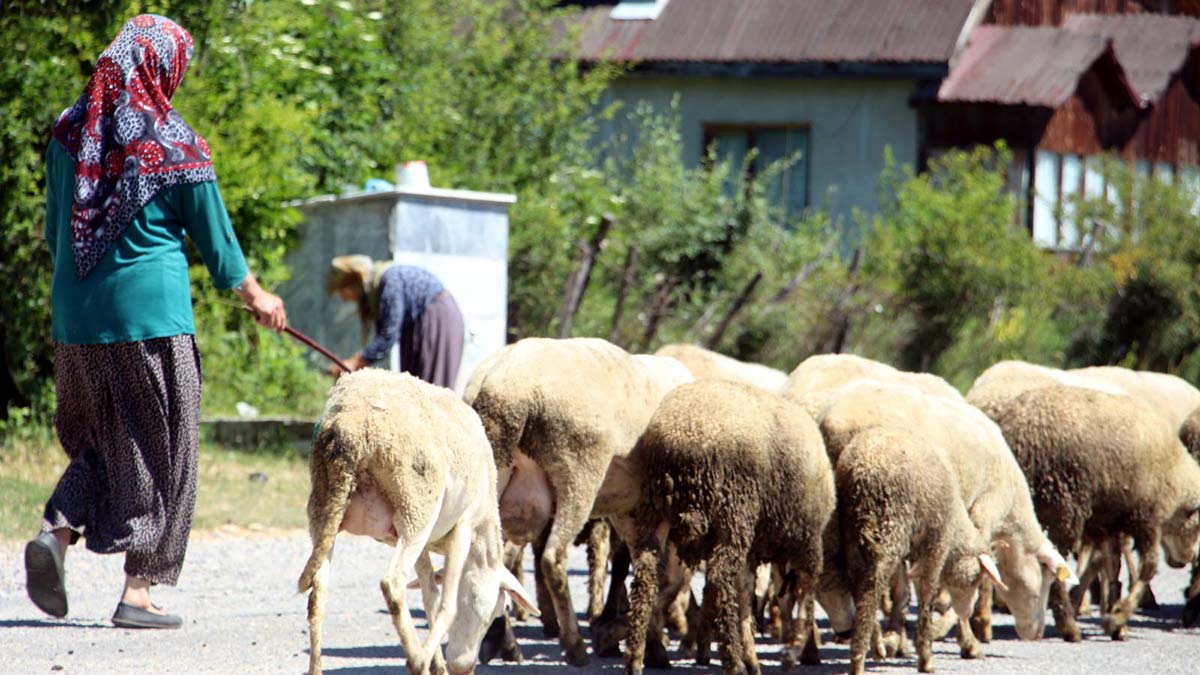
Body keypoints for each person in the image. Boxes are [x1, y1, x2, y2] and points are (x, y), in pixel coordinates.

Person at [25, 14, 287, 630]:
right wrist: (256, 296)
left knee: (100, 442)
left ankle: (56, 534)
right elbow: (217, 242)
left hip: (75, 323)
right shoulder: (174, 142)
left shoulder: (69, 132)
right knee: (165, 451)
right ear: (161, 66)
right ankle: (138, 591)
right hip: (151, 322)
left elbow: (51, 231)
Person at [327, 255, 464, 389]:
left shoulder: (389, 281)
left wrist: (355, 362)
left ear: (354, 282)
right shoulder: (380, 287)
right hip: (418, 325)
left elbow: (387, 337)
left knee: (429, 391)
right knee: (413, 391)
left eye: (342, 291)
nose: (344, 299)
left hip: (435, 321)